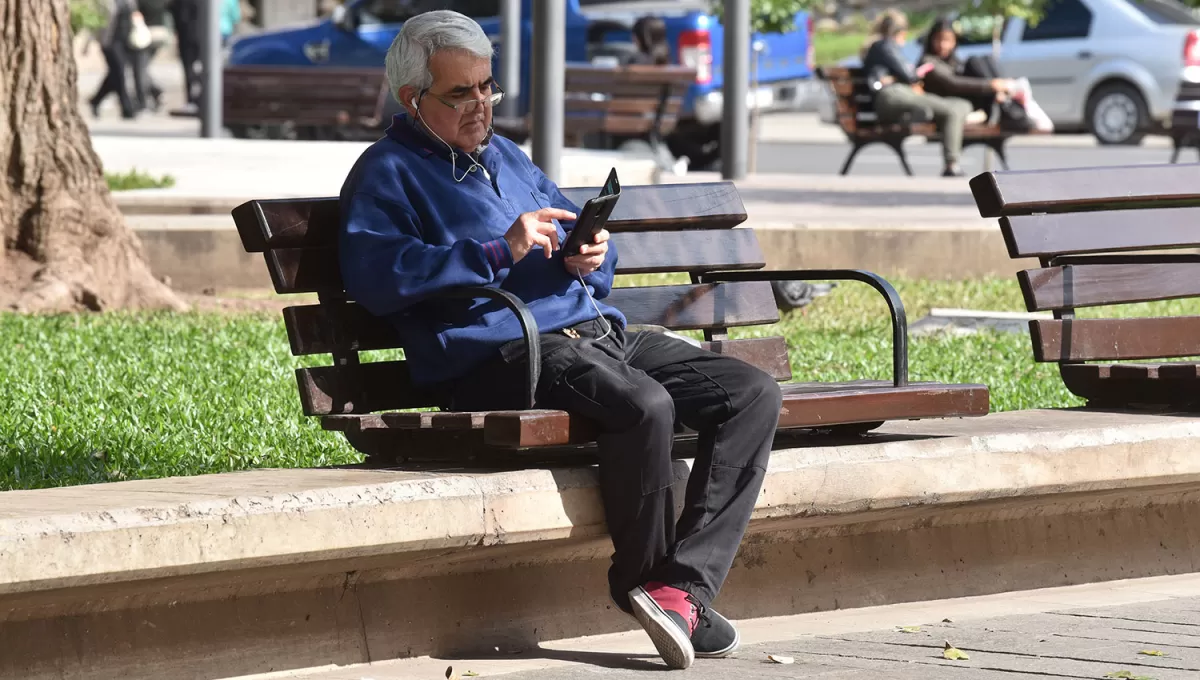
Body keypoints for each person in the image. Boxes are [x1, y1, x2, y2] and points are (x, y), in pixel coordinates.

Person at [339, 10, 782, 671]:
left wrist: (589, 255)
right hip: (500, 352)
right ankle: (644, 582)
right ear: (412, 99)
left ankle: (680, 590)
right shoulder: (387, 172)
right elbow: (379, 276)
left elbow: (588, 254)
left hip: (590, 334)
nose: (481, 105)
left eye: (487, 87)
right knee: (645, 407)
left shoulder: (507, 158)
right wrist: (495, 250)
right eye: (461, 93)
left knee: (751, 392)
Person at [862, 9, 972, 177]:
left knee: (957, 106)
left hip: (898, 95)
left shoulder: (880, 46)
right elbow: (909, 75)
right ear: (900, 32)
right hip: (892, 96)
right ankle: (952, 164)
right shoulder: (885, 45)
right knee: (951, 110)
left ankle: (950, 155)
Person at [918, 17, 1034, 132]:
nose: (943, 45)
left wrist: (997, 84)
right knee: (973, 61)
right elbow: (952, 83)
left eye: (948, 40)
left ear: (954, 41)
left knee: (982, 60)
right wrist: (991, 85)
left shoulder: (953, 60)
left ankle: (1005, 102)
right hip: (950, 103)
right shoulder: (928, 61)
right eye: (939, 40)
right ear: (931, 40)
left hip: (969, 100)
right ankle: (1006, 106)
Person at [90, 0, 138, 119]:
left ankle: (96, 100)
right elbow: (98, 22)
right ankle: (127, 108)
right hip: (110, 42)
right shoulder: (106, 2)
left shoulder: (129, 1)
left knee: (115, 74)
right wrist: (88, 42)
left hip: (126, 42)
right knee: (120, 73)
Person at [170, 0, 202, 106]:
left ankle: (191, 98)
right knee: (199, 68)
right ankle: (197, 97)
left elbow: (179, 16)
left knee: (188, 69)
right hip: (201, 37)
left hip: (187, 37)